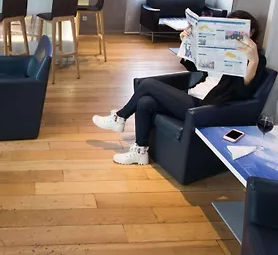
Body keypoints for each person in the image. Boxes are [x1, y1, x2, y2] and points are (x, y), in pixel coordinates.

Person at [93, 10, 266, 165]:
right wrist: (187, 43)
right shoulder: (221, 49)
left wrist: (253, 61)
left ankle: (119, 117)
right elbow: (196, 68)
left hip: (205, 107)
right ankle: (140, 152)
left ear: (251, 32)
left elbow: (243, 92)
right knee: (145, 102)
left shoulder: (256, 59)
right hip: (193, 95)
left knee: (147, 84)